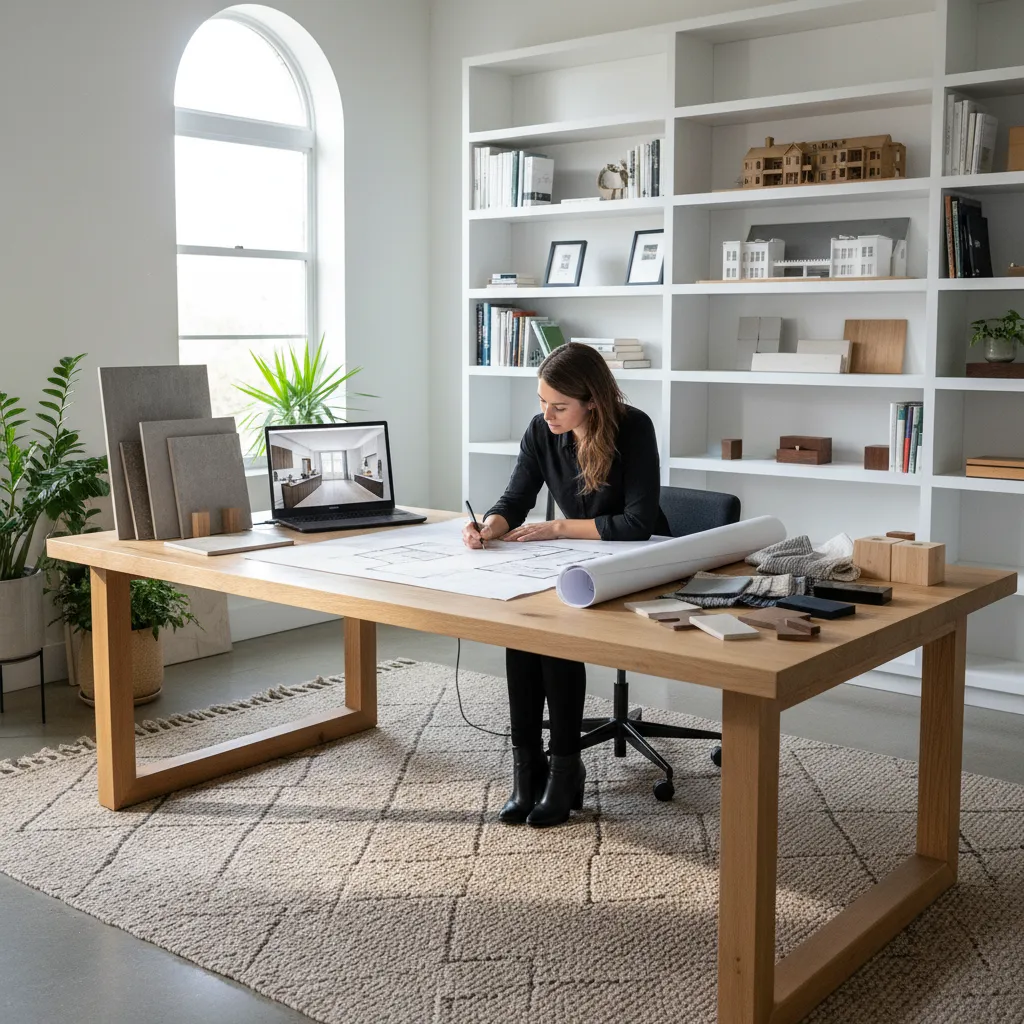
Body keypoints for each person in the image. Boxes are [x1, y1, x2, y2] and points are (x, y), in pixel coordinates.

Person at [461, 342, 668, 827]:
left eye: (559, 405)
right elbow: (516, 497)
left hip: (637, 558)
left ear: (591, 401)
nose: (547, 414)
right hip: (583, 554)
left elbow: (638, 523)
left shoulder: (633, 427)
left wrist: (555, 528)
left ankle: (565, 769)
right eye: (541, 401)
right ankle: (527, 771)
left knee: (555, 638)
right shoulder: (541, 431)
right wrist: (489, 526)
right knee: (524, 630)